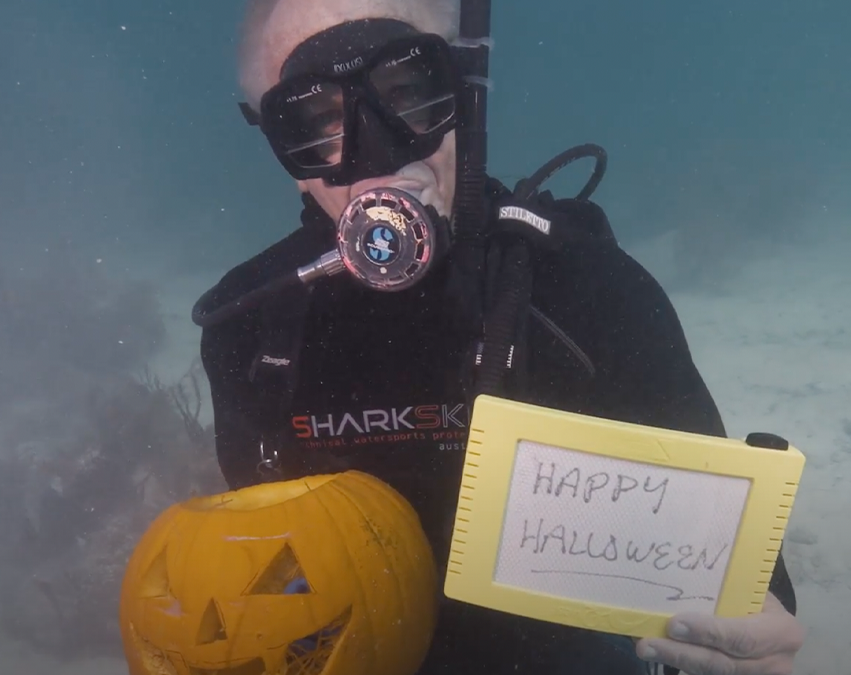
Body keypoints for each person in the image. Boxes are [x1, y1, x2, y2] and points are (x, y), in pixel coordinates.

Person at [194, 1, 806, 674]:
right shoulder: (247, 331)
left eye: (407, 92)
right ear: (282, 148)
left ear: (465, 91)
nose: (377, 148)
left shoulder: (590, 290)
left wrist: (753, 626)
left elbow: (726, 569)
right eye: (319, 122)